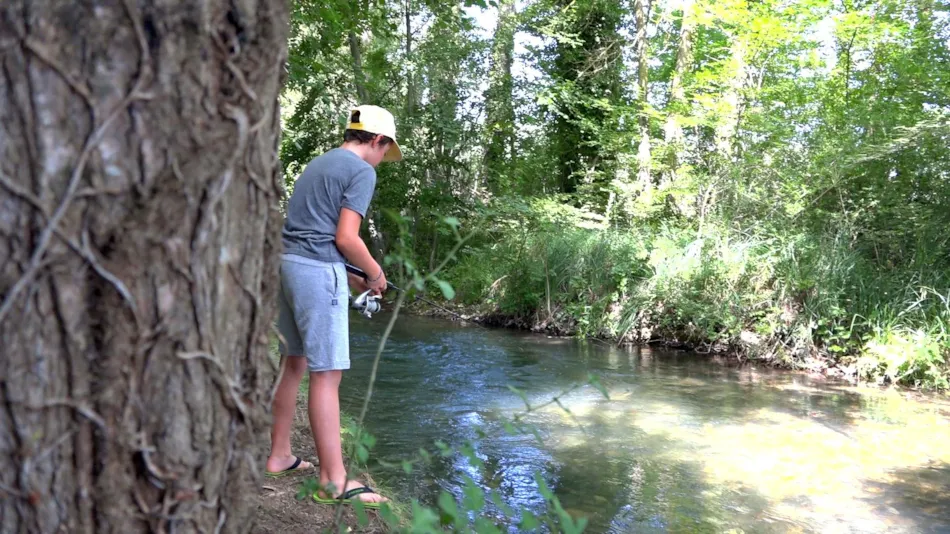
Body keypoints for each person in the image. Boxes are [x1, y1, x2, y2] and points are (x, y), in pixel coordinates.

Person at [266, 105, 402, 507]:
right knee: (327, 374)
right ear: (377, 140)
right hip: (315, 272)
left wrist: (351, 276)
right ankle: (333, 481)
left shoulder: (319, 163)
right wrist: (375, 274)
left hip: (287, 264)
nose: (383, 159)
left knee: (293, 362)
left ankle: (278, 455)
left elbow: (313, 232)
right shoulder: (362, 171)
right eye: (385, 149)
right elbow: (346, 237)